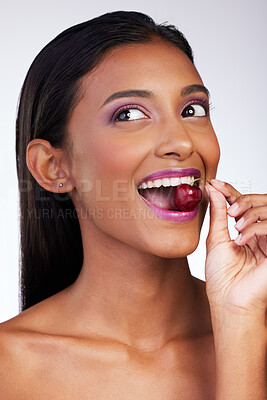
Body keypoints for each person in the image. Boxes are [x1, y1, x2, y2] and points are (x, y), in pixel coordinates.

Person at [0, 10, 266, 399]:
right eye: (129, 114)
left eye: (193, 110)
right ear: (53, 167)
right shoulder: (8, 368)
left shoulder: (255, 329)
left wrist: (241, 323)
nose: (182, 142)